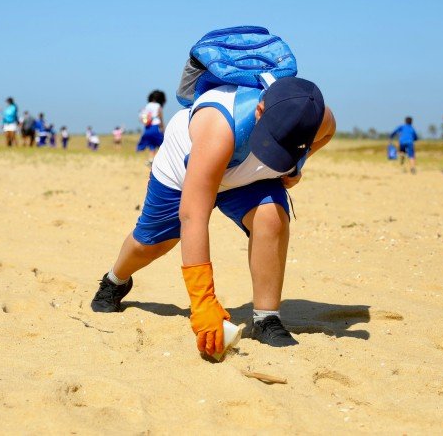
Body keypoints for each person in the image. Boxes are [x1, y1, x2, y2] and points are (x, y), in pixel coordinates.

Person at [90, 77, 336, 357]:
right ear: (260, 111)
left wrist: (296, 164)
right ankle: (115, 280)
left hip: (246, 176)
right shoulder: (219, 125)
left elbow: (328, 133)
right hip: (184, 171)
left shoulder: (317, 116)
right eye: (274, 143)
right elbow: (194, 216)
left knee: (272, 218)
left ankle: (266, 317)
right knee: (151, 244)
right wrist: (203, 302)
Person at [136, 90, 166, 166]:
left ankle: (151, 159)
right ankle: (163, 160)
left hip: (147, 127)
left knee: (152, 144)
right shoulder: (158, 106)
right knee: (162, 144)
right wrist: (163, 129)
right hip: (155, 127)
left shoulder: (147, 105)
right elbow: (160, 118)